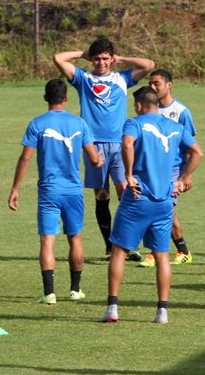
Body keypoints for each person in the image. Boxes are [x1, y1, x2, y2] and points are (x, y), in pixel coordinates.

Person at [100, 87, 202, 324]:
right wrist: (184, 178)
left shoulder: (134, 124)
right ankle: (162, 312)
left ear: (138, 105)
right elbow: (197, 152)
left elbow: (126, 145)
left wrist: (128, 174)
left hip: (138, 198)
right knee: (162, 255)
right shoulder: (175, 127)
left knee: (119, 251)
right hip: (164, 201)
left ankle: (113, 308)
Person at [53, 38, 154, 260]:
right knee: (102, 195)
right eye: (97, 58)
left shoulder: (122, 79)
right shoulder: (83, 79)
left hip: (120, 145)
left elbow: (148, 65)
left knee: (126, 192)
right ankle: (110, 247)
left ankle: (128, 245)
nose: (101, 63)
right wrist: (83, 53)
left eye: (105, 58)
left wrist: (121, 59)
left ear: (112, 58)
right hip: (93, 145)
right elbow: (58, 58)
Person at [8, 79, 103, 304]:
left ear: (45, 98)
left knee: (47, 241)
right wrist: (100, 160)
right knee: (75, 239)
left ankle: (49, 293)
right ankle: (75, 290)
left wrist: (15, 188)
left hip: (49, 191)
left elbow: (26, 157)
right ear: (66, 98)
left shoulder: (37, 124)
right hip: (73, 191)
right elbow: (93, 158)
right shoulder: (79, 123)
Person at [141, 68, 197, 266]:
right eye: (150, 84)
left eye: (156, 83)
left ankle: (159, 251)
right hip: (152, 169)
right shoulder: (149, 109)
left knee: (164, 209)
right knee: (158, 208)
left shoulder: (181, 112)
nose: (152, 87)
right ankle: (179, 250)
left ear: (169, 85)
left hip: (173, 169)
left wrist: (186, 175)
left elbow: (191, 147)